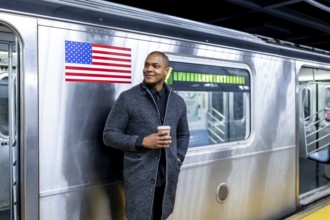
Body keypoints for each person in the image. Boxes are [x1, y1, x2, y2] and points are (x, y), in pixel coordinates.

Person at [103, 51, 190, 220]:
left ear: (166, 71)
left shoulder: (177, 102)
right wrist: (141, 141)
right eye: (146, 65)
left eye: (155, 66)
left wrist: (178, 159)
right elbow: (109, 135)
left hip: (167, 179)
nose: (149, 69)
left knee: (162, 215)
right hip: (139, 179)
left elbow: (183, 134)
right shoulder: (128, 98)